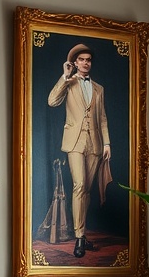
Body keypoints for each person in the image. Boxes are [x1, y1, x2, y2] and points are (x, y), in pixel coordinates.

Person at [48, 43, 111, 258]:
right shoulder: (70, 82)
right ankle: (79, 236)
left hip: (94, 143)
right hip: (74, 142)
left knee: (86, 191)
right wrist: (64, 77)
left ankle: (82, 233)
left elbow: (102, 118)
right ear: (74, 63)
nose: (86, 63)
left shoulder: (99, 89)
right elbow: (52, 101)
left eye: (88, 60)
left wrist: (107, 144)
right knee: (79, 185)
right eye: (82, 59)